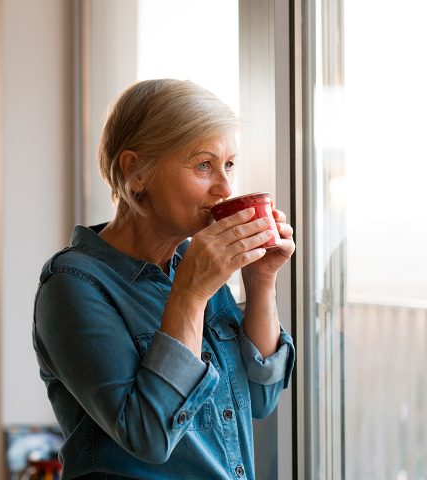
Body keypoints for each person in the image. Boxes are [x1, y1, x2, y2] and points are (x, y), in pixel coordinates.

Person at [32, 79, 296, 479]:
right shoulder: (73, 286)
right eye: (203, 165)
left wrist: (261, 281)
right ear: (135, 171)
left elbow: (260, 397)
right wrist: (190, 295)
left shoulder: (191, 262)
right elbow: (149, 436)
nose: (225, 187)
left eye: (228, 165)